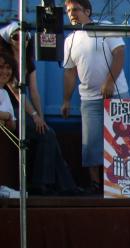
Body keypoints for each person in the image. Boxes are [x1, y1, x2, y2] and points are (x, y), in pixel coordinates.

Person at [0, 24, 81, 195]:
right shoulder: (6, 61)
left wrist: (41, 118)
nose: (21, 41)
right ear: (9, 40)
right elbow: (17, 93)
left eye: (25, 37)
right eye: (16, 37)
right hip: (10, 107)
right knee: (48, 134)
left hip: (24, 108)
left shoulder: (28, 62)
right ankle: (55, 184)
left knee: (47, 132)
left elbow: (34, 92)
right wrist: (34, 115)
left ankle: (61, 185)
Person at [61, 0, 130, 194]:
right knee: (90, 143)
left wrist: (109, 82)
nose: (71, 14)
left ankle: (122, 183)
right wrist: (66, 100)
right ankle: (95, 183)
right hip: (89, 99)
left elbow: (119, 54)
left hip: (116, 94)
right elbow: (70, 72)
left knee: (122, 140)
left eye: (75, 9)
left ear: (87, 11)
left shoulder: (106, 27)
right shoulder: (70, 40)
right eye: (68, 11)